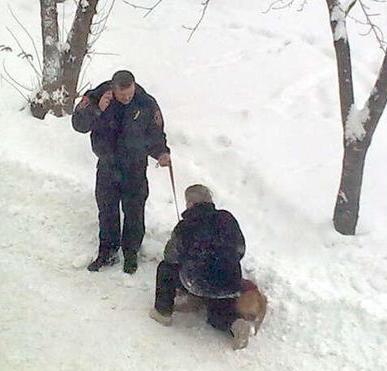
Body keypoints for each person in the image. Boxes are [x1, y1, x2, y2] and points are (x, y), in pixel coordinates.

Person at [72, 70, 171, 274]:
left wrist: (161, 153)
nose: (127, 98)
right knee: (107, 210)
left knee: (134, 211)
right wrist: (97, 110)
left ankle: (131, 252)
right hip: (108, 165)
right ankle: (107, 252)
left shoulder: (145, 103)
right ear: (113, 88)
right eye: (122, 95)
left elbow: (155, 133)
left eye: (130, 93)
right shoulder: (97, 97)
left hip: (135, 166)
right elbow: (78, 125)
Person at [149, 184, 253, 349]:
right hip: (230, 282)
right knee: (217, 312)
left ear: (190, 204)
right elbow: (240, 250)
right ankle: (237, 325)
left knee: (165, 269)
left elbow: (170, 256)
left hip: (199, 282)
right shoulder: (227, 218)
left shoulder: (185, 226)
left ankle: (162, 313)